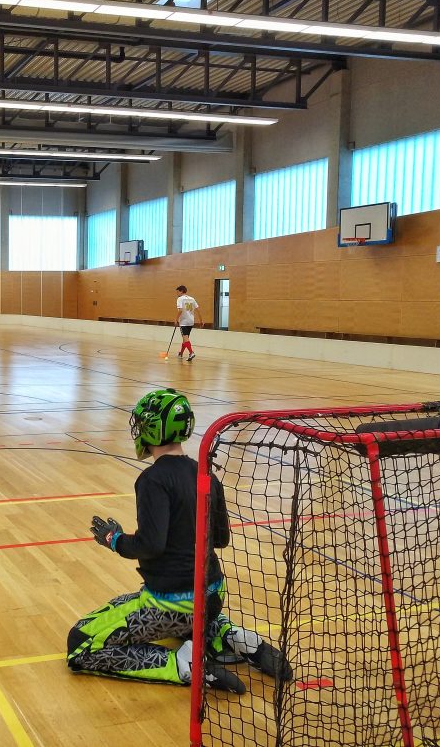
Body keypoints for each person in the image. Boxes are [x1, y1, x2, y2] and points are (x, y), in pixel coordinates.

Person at [67, 388, 290, 692]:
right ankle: (228, 636)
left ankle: (181, 665)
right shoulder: (206, 475)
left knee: (80, 643)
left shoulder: (152, 480)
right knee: (122, 602)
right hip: (211, 597)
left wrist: (114, 539)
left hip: (171, 606)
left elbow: (150, 545)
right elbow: (221, 538)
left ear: (153, 429)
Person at [175, 285, 203, 362]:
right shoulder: (192, 298)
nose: (177, 293)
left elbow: (180, 310)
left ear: (181, 291)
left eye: (177, 292)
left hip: (184, 321)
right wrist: (201, 320)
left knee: (185, 338)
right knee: (185, 338)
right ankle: (181, 353)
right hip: (191, 321)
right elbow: (198, 310)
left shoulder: (180, 299)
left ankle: (191, 352)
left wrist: (176, 319)